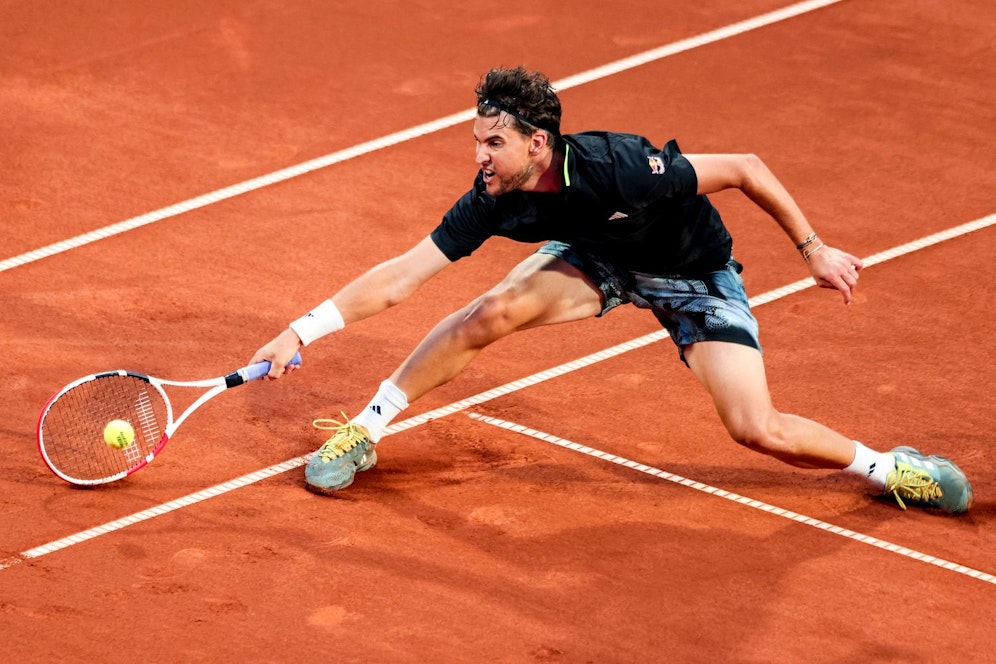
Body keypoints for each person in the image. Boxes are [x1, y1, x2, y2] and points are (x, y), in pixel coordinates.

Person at [251, 66, 972, 514]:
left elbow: (747, 166)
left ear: (538, 143)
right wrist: (300, 329)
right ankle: (368, 429)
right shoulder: (493, 198)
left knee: (758, 429)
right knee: (489, 311)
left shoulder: (620, 167)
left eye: (492, 143)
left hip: (693, 275)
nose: (478, 156)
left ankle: (889, 469)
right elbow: (403, 275)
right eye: (476, 140)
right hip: (600, 259)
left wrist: (811, 250)